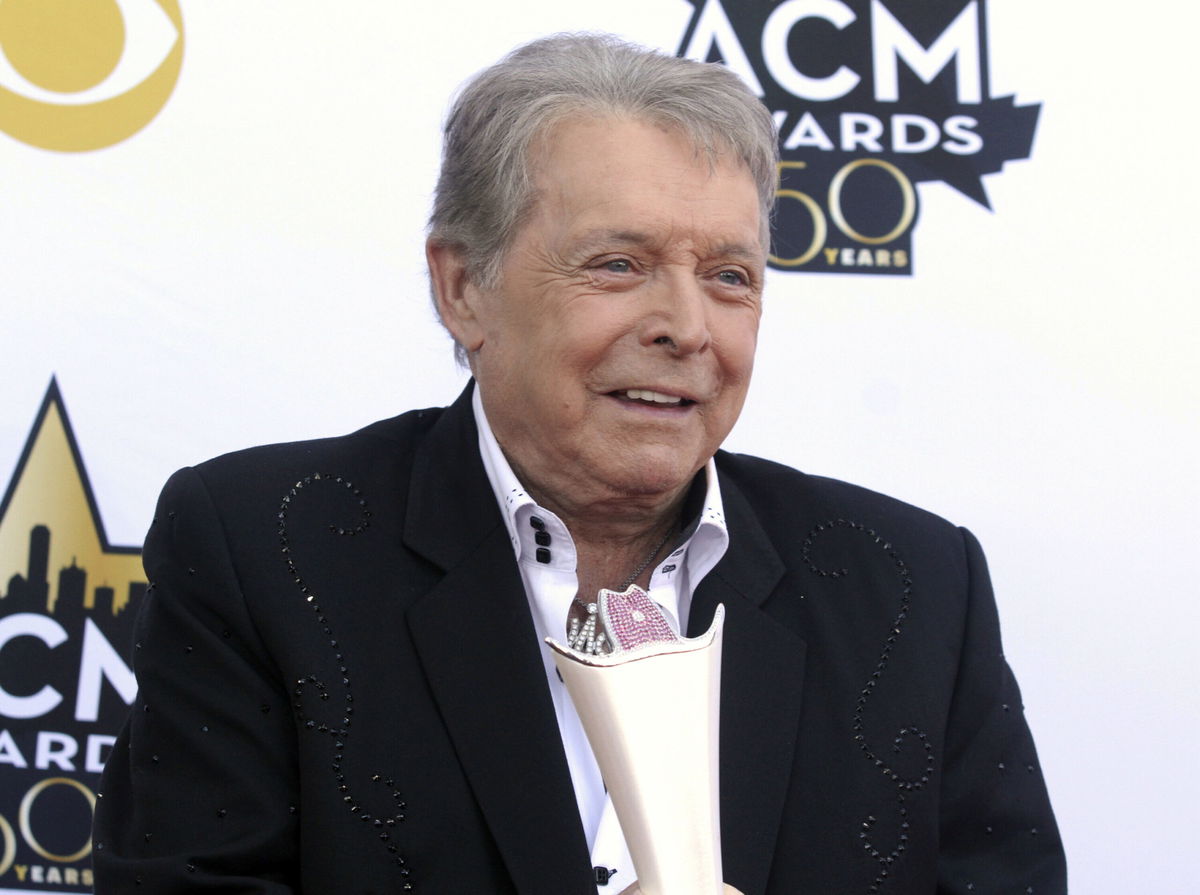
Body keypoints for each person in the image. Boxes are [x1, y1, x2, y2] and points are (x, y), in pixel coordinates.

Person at [93, 33, 1066, 894]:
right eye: (619, 264)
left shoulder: (913, 585)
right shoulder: (267, 548)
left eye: (729, 277)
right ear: (464, 287)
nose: (686, 328)